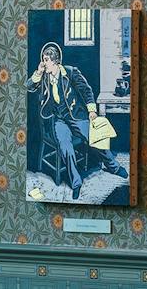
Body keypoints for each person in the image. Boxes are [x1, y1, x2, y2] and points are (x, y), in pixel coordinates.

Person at [29, 41, 98, 199]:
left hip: (76, 116)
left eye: (46, 60)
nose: (43, 63)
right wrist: (38, 73)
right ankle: (76, 183)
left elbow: (86, 90)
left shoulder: (70, 72)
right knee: (66, 147)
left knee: (95, 137)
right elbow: (28, 86)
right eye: (43, 59)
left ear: (55, 61)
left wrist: (92, 110)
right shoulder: (43, 77)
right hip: (58, 121)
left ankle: (112, 165)